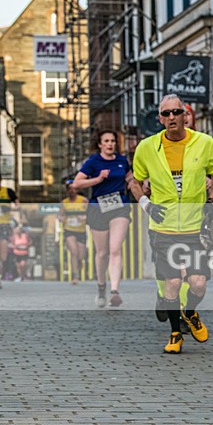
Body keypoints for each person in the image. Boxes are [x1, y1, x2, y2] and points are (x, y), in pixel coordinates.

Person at [129, 94, 213, 354]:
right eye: (166, 113)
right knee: (171, 283)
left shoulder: (204, 143)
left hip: (195, 226)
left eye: (176, 112)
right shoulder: (147, 147)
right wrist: (146, 205)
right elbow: (135, 181)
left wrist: (211, 201)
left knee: (198, 283)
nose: (171, 117)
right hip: (163, 227)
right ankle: (174, 333)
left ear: (185, 116)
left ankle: (190, 312)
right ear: (160, 118)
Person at [72, 130, 132, 307]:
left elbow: (130, 178)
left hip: (119, 206)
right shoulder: (93, 162)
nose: (110, 144)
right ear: (100, 144)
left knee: (115, 249)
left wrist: (142, 183)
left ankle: (114, 291)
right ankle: (101, 287)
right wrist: (98, 179)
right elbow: (76, 183)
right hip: (98, 208)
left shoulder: (122, 161)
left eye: (113, 141)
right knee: (102, 253)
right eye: (106, 141)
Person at [59, 179, 89, 284]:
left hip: (80, 230)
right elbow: (61, 214)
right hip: (69, 230)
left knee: (81, 256)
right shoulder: (64, 202)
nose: (72, 190)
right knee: (74, 252)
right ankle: (75, 276)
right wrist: (61, 218)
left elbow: (92, 214)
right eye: (69, 189)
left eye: (74, 188)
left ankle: (78, 271)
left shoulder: (83, 200)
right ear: (67, 190)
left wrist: (84, 217)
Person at [0, 172, 19, 289]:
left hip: (4, 225)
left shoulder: (8, 191)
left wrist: (8, 208)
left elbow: (17, 205)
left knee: (2, 255)